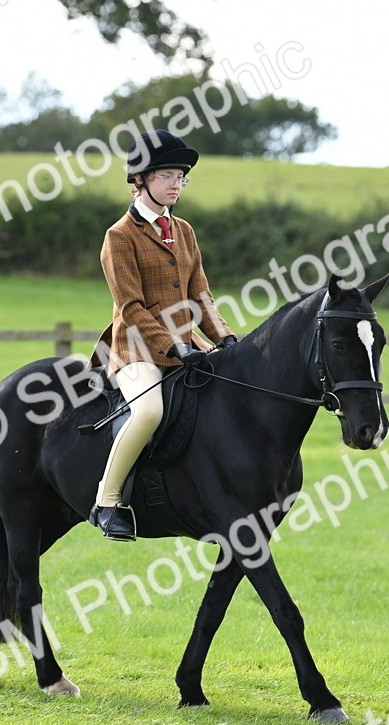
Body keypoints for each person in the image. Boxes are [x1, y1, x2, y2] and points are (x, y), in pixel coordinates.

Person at [89, 129, 238, 542]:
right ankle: (106, 501)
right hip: (136, 350)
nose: (177, 185)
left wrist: (225, 338)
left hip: (188, 347)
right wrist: (172, 345)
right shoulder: (119, 237)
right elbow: (130, 307)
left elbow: (201, 294)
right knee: (149, 412)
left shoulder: (185, 231)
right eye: (168, 176)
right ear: (142, 178)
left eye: (181, 177)